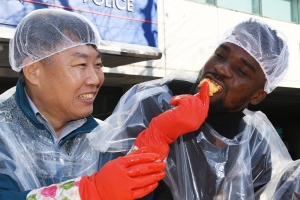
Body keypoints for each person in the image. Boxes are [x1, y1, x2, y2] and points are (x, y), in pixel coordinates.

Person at [99, 18, 292, 200]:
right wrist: (160, 132)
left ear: (257, 95)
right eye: (220, 55)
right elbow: (102, 178)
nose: (222, 69)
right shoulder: (154, 101)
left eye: (241, 71)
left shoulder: (253, 143)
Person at [0, 8, 171, 200]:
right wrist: (90, 191)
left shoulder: (105, 139)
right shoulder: (4, 133)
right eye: (81, 65)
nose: (95, 79)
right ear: (33, 71)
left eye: (98, 65)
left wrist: (156, 139)